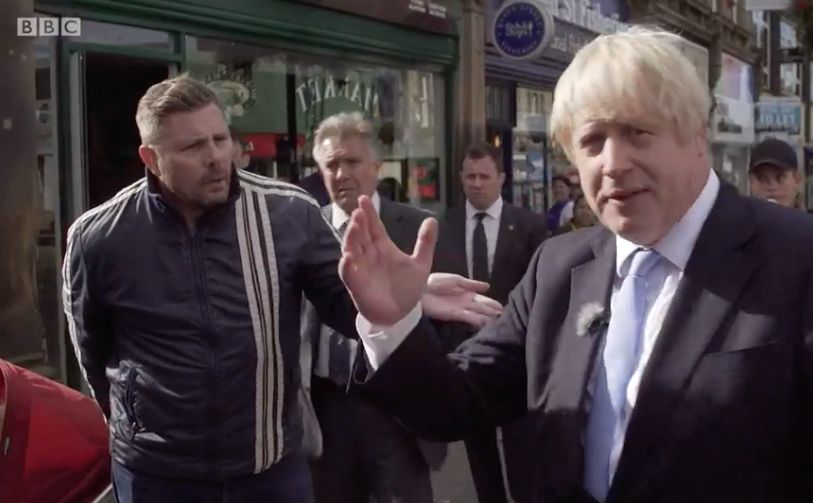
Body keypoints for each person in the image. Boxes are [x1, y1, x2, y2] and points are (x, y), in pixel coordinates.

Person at [338, 27, 813, 502]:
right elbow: (454, 406)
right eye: (592, 140)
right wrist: (392, 322)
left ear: (696, 135)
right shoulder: (559, 266)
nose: (613, 163)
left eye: (638, 133)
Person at [61, 75, 501, 503]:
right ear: (151, 158)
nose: (216, 157)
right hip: (156, 475)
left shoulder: (287, 213)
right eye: (193, 147)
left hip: (268, 473)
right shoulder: (100, 237)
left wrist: (405, 302)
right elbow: (93, 352)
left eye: (220, 139)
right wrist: (134, 423)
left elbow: (345, 302)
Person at [301, 112, 446, 502]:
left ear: (377, 167)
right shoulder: (306, 230)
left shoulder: (418, 228)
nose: (342, 173)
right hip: (326, 408)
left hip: (396, 409)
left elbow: (445, 326)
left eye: (352, 162)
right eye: (331, 164)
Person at [431, 143, 548, 502]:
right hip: (464, 358)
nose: (477, 184)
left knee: (520, 451)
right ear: (461, 178)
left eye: (484, 176)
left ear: (502, 179)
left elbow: (545, 290)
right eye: (470, 176)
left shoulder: (530, 226)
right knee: (479, 452)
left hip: (515, 359)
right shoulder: (441, 225)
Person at [748, 137, 801, 208]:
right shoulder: (736, 219)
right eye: (762, 178)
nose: (772, 187)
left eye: (780, 178)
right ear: (751, 182)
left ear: (797, 180)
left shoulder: (809, 219)